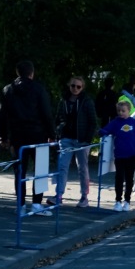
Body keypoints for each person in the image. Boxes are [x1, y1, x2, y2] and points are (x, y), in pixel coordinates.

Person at [0, 60, 54, 213]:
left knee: (19, 171)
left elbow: (1, 114)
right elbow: (46, 113)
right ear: (32, 73)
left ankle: (21, 205)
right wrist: (51, 134)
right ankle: (36, 204)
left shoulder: (8, 90)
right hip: (38, 134)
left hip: (17, 135)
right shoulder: (39, 89)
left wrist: (3, 136)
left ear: (18, 73)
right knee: (40, 170)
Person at [55, 75, 98, 207]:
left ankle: (84, 196)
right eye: (73, 86)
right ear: (69, 86)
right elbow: (58, 117)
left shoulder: (86, 101)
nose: (75, 88)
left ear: (82, 88)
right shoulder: (64, 100)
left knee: (82, 168)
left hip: (82, 139)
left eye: (78, 86)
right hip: (66, 138)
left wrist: (87, 139)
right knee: (62, 166)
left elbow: (93, 122)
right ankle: (59, 195)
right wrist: (59, 131)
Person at [99, 96, 135, 211]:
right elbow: (105, 130)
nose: (121, 113)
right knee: (119, 178)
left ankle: (127, 201)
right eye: (119, 111)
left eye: (123, 111)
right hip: (119, 155)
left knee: (129, 179)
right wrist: (101, 132)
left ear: (129, 111)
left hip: (132, 155)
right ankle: (117, 201)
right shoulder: (115, 122)